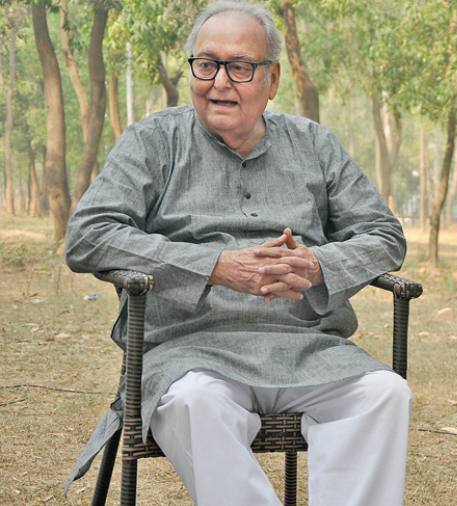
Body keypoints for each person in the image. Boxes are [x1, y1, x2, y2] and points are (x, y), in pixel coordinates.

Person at [63, 2, 409, 505]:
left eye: (240, 67)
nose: (220, 82)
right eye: (207, 65)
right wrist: (213, 267)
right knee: (195, 403)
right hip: (191, 352)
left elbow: (384, 234)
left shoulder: (314, 145)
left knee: (383, 394)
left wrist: (319, 266)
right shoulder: (154, 141)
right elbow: (89, 235)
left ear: (272, 80)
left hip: (307, 349)